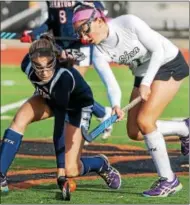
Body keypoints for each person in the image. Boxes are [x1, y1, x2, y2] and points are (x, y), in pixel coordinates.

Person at [72, 5, 189, 197]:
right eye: (79, 33)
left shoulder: (128, 22)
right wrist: (116, 105)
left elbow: (158, 51)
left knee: (145, 121)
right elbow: (112, 85)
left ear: (99, 20)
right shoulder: (99, 53)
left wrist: (146, 83)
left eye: (85, 29)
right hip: (143, 74)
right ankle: (184, 128)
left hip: (168, 62)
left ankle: (169, 180)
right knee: (134, 131)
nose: (84, 37)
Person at [0, 38, 121, 200]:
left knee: (71, 169)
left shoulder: (63, 79)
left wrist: (61, 173)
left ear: (55, 61)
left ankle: (100, 163)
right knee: (19, 119)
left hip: (77, 107)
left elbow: (58, 132)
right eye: (39, 67)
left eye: (49, 66)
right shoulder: (26, 65)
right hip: (49, 96)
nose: (44, 72)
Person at [20, 1, 113, 140]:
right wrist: (35, 33)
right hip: (60, 47)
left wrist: (86, 30)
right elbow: (52, 21)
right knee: (64, 90)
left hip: (80, 45)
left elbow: (99, 9)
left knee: (70, 88)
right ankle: (102, 113)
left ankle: (79, 131)